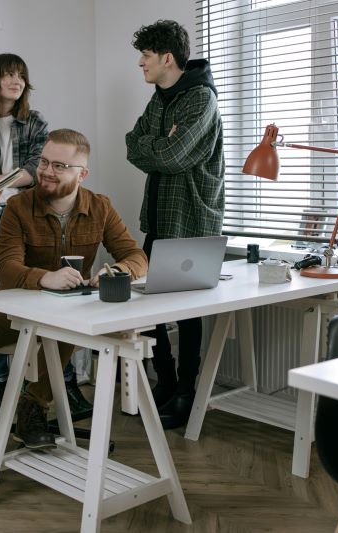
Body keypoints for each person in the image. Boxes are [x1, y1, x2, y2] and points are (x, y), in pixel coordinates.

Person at [0, 128, 147, 449]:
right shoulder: (18, 207)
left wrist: (118, 270)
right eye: (44, 162)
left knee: (64, 330)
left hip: (65, 313)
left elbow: (136, 257)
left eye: (59, 166)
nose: (46, 171)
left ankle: (32, 411)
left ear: (82, 174)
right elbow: (5, 268)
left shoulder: (100, 207)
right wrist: (45, 277)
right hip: (11, 308)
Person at [0, 54, 91, 433]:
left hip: (21, 219)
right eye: (8, 74)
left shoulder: (36, 121)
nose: (15, 81)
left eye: (21, 75)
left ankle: (34, 391)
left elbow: (34, 171)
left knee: (28, 298)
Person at [125, 20, 225, 430]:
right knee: (147, 306)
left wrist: (157, 146)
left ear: (167, 57)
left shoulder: (201, 99)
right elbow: (133, 143)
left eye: (146, 56)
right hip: (162, 218)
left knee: (186, 313)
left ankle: (186, 392)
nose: (140, 63)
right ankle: (165, 382)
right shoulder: (160, 98)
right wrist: (156, 143)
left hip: (193, 218)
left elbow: (171, 156)